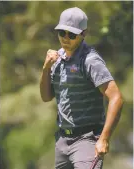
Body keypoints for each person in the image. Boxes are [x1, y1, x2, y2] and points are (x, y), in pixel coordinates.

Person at [40, 7, 123, 169]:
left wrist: (104, 138)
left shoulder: (90, 60)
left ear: (83, 34)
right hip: (62, 141)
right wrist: (45, 69)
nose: (65, 38)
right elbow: (46, 97)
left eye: (71, 34)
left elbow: (116, 98)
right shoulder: (56, 59)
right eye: (62, 32)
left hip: (87, 140)